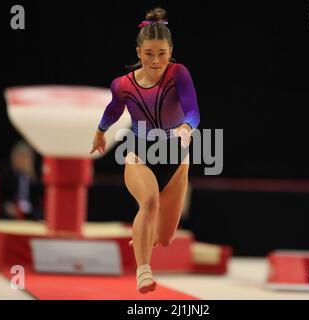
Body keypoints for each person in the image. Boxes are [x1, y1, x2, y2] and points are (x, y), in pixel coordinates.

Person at [90, 7, 200, 293]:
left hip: (177, 161)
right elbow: (112, 110)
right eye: (149, 53)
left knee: (165, 238)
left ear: (171, 50)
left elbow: (193, 110)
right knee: (149, 202)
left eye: (162, 53)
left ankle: (143, 235)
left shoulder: (179, 74)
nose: (156, 60)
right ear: (139, 52)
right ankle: (143, 271)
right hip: (140, 154)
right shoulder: (123, 85)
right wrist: (101, 132)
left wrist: (187, 127)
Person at [0, 141, 43, 221]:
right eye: (20, 156)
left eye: (26, 156)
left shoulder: (37, 171)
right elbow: (2, 195)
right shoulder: (6, 170)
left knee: (39, 214)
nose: (23, 159)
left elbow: (41, 193)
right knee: (5, 215)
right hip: (13, 208)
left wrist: (31, 175)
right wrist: (8, 205)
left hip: (31, 209)